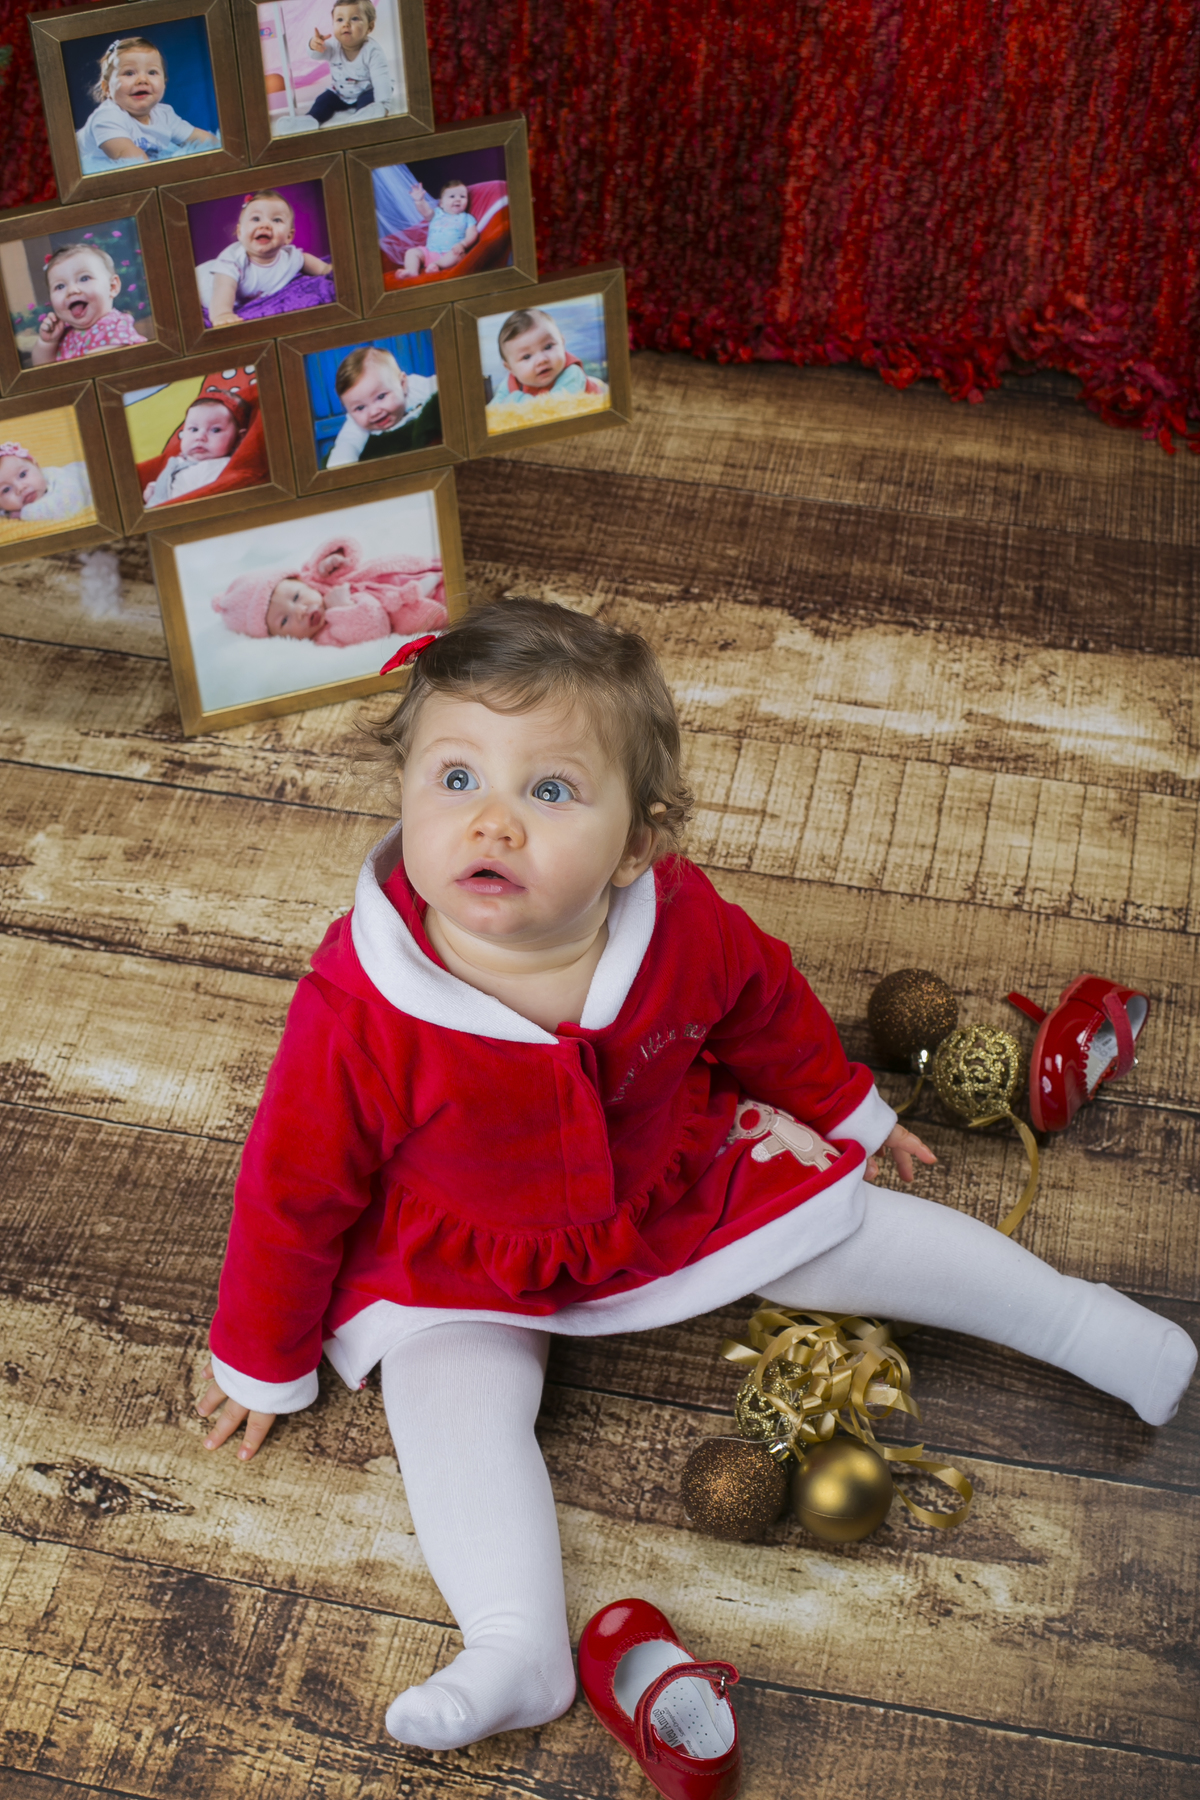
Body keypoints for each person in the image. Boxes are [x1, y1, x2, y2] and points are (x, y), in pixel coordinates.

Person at [195, 599, 1196, 1755]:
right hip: (466, 1246)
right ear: (404, 791)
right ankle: (515, 1645)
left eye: (550, 790)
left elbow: (762, 1002)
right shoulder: (362, 1007)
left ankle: (1084, 1326)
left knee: (848, 1231)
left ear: (637, 844)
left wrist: (842, 1106)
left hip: (674, 1175)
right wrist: (261, 1357)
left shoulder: (675, 923)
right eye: (455, 778)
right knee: (451, 1399)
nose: (493, 821)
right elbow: (292, 1188)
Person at [211, 534, 446, 645]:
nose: (300, 610)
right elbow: (374, 630)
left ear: (301, 581)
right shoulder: (326, 637)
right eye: (284, 620)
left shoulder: (319, 576)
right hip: (431, 602)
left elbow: (350, 546)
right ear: (278, 638)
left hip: (425, 568)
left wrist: (333, 558)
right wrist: (343, 608)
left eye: (296, 596)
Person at [196, 191, 333, 329]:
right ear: (240, 233)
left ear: (289, 237)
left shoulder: (289, 257)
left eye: (276, 220)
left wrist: (325, 268)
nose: (265, 225)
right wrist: (222, 314)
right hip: (202, 283)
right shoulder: (232, 261)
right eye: (256, 219)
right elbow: (224, 287)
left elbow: (303, 259)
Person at [75, 37, 218, 166]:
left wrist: (223, 149)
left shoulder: (164, 114)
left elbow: (200, 139)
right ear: (107, 88)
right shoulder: (107, 117)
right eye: (129, 73)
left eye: (152, 72)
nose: (142, 80)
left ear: (164, 82)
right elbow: (131, 159)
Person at [29, 243, 147, 365]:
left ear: (112, 287)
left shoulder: (116, 325)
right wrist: (47, 343)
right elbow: (42, 369)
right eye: (60, 286)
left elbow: (100, 365)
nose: (71, 290)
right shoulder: (64, 335)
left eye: (84, 278)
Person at [325, 344, 441, 467]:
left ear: (402, 384)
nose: (374, 412)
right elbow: (347, 445)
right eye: (360, 408)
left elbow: (447, 385)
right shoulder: (355, 424)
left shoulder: (417, 388)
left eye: (381, 397)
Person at [487, 307, 608, 413]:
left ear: (562, 343)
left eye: (548, 347)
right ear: (510, 368)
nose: (541, 360)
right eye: (527, 357)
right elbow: (492, 412)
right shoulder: (510, 382)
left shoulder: (572, 373)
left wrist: (514, 400)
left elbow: (554, 408)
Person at [143, 392, 249, 507]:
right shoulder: (179, 460)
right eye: (194, 429)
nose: (200, 437)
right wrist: (155, 491)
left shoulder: (221, 466)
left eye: (215, 430)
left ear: (239, 438)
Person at [304, 0, 393, 126]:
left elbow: (381, 80)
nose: (345, 24)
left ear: (370, 26)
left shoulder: (373, 52)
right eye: (340, 20)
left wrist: (384, 105)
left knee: (370, 101)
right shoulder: (332, 46)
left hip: (365, 91)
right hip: (338, 94)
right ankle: (309, 120)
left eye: (354, 18)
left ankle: (364, 116)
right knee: (322, 101)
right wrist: (313, 46)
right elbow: (317, 54)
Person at [0, 440, 92, 524]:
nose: (20, 488)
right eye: (6, 489)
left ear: (37, 467)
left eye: (22, 475)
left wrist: (23, 514)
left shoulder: (59, 479)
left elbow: (66, 506)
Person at [403, 177, 479, 276]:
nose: (458, 199)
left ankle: (437, 265)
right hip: (429, 252)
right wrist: (419, 201)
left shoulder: (467, 218)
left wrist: (463, 244)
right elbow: (425, 212)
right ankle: (411, 271)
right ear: (441, 203)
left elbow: (472, 234)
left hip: (450, 254)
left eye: (462, 196)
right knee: (411, 252)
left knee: (460, 256)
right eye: (452, 196)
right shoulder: (436, 213)